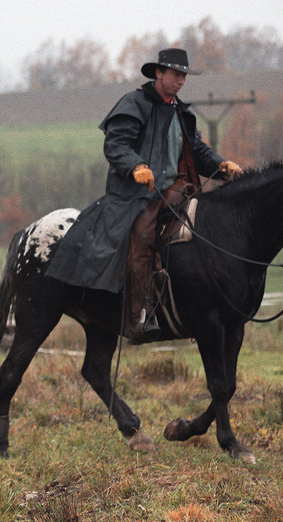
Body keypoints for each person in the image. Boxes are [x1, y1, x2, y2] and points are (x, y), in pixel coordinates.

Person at [46, 48, 243, 343]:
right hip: (136, 196)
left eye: (183, 76)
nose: (180, 81)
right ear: (158, 74)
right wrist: (135, 166)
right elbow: (116, 145)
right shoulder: (133, 104)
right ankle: (140, 313)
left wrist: (220, 164)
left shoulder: (181, 111)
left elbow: (197, 151)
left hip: (179, 190)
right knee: (142, 237)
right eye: (175, 74)